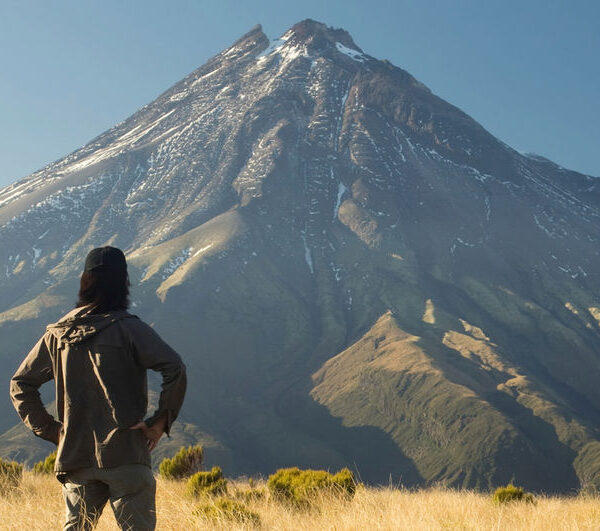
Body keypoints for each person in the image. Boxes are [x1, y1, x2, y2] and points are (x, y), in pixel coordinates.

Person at [10, 246, 187, 530]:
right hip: (126, 454)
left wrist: (53, 431)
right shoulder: (130, 329)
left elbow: (20, 384)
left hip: (76, 458)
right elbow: (174, 367)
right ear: (123, 284)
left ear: (85, 281)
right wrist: (159, 422)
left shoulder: (57, 335)